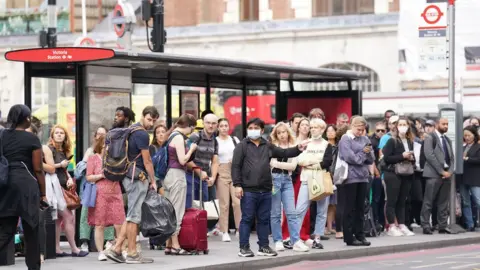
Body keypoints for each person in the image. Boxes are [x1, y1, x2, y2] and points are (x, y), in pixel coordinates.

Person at [233, 118, 309, 257]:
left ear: (262, 130)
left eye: (256, 127)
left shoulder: (267, 146)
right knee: (247, 218)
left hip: (266, 189)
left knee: (263, 219)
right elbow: (236, 166)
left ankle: (264, 246)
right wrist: (237, 185)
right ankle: (243, 247)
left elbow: (284, 153)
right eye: (250, 127)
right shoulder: (242, 146)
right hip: (249, 189)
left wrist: (298, 149)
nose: (253, 130)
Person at [106, 106, 159, 263]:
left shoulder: (130, 129)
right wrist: (153, 180)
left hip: (127, 175)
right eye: (149, 119)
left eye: (154, 121)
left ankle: (117, 249)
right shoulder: (142, 133)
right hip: (137, 177)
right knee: (134, 217)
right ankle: (132, 254)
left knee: (131, 216)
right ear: (143, 116)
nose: (151, 124)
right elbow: (147, 160)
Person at [0, 105, 46, 270]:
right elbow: (38, 169)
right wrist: (43, 194)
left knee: (6, 229)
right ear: (25, 119)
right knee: (31, 229)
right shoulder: (31, 139)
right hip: (26, 186)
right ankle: (33, 267)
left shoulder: (2, 136)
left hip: (5, 184)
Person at [43, 125, 88, 257]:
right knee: (69, 217)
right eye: (56, 133)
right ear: (52, 136)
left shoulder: (63, 150)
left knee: (57, 219)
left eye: (61, 133)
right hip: (53, 187)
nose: (59, 135)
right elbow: (49, 168)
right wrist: (60, 165)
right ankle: (74, 248)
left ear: (65, 136)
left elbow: (62, 170)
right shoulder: (49, 149)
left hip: (62, 186)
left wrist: (68, 177)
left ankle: (57, 248)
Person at [269, 122, 309, 252]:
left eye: (283, 132)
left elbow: (292, 166)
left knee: (291, 212)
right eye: (279, 133)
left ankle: (296, 240)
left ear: (288, 132)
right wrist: (274, 164)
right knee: (275, 213)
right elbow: (270, 163)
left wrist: (276, 163)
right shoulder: (273, 146)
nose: (281, 135)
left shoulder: (294, 146)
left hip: (287, 180)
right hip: (274, 179)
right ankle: (278, 240)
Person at [86, 135, 125, 261]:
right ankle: (100, 251)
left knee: (119, 222)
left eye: (109, 145)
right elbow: (88, 177)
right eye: (105, 144)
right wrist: (100, 175)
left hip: (115, 191)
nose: (107, 147)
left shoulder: (116, 159)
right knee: (100, 224)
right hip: (100, 193)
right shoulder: (93, 158)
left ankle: (120, 249)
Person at [163, 114, 197, 255]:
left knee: (170, 210)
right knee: (177, 210)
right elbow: (183, 160)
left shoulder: (171, 135)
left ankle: (168, 244)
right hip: (177, 175)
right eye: (192, 128)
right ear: (188, 126)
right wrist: (192, 149)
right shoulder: (178, 137)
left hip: (169, 175)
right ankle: (176, 245)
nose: (192, 131)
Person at [338, 116, 374, 246]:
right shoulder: (345, 139)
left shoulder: (365, 139)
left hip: (363, 177)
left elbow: (371, 159)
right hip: (350, 177)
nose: (360, 132)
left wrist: (367, 154)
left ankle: (360, 234)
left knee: (360, 207)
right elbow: (351, 158)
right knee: (349, 208)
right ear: (352, 126)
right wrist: (363, 153)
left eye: (362, 130)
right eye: (358, 129)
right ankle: (349, 237)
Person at [297, 118, 330, 249]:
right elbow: (299, 160)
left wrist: (310, 163)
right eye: (311, 127)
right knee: (300, 210)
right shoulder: (305, 143)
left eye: (316, 127)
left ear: (322, 129)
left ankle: (317, 238)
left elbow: (327, 162)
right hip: (306, 179)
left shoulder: (327, 144)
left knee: (321, 211)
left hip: (320, 179)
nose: (313, 129)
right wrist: (316, 162)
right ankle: (295, 237)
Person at [382, 117, 416, 237]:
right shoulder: (392, 141)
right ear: (396, 126)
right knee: (392, 200)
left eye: (404, 124)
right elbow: (386, 158)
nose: (402, 126)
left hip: (406, 172)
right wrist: (402, 156)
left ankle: (401, 224)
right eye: (400, 124)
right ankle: (391, 225)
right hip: (392, 173)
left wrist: (412, 158)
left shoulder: (410, 141)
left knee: (402, 200)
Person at [421, 117, 454, 235]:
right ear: (436, 124)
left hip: (446, 174)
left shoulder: (447, 140)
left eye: (447, 124)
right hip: (433, 174)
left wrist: (450, 171)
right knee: (428, 201)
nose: (445, 126)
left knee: (443, 202)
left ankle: (442, 226)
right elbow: (429, 155)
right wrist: (441, 171)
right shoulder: (430, 137)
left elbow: (451, 158)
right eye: (443, 124)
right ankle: (425, 225)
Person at [215, 118, 241, 242]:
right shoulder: (215, 141)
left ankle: (239, 228)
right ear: (218, 128)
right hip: (221, 171)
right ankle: (224, 230)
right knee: (224, 203)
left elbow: (241, 154)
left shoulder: (234, 140)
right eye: (221, 126)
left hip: (234, 171)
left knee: (237, 202)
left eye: (226, 125)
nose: (224, 128)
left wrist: (235, 160)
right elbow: (212, 158)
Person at [459, 125, 480, 231]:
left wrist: (467, 158)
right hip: (463, 177)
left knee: (478, 200)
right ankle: (470, 224)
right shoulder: (462, 147)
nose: (467, 137)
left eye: (469, 135)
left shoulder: (478, 146)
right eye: (465, 135)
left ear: (474, 135)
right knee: (465, 202)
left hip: (475, 177)